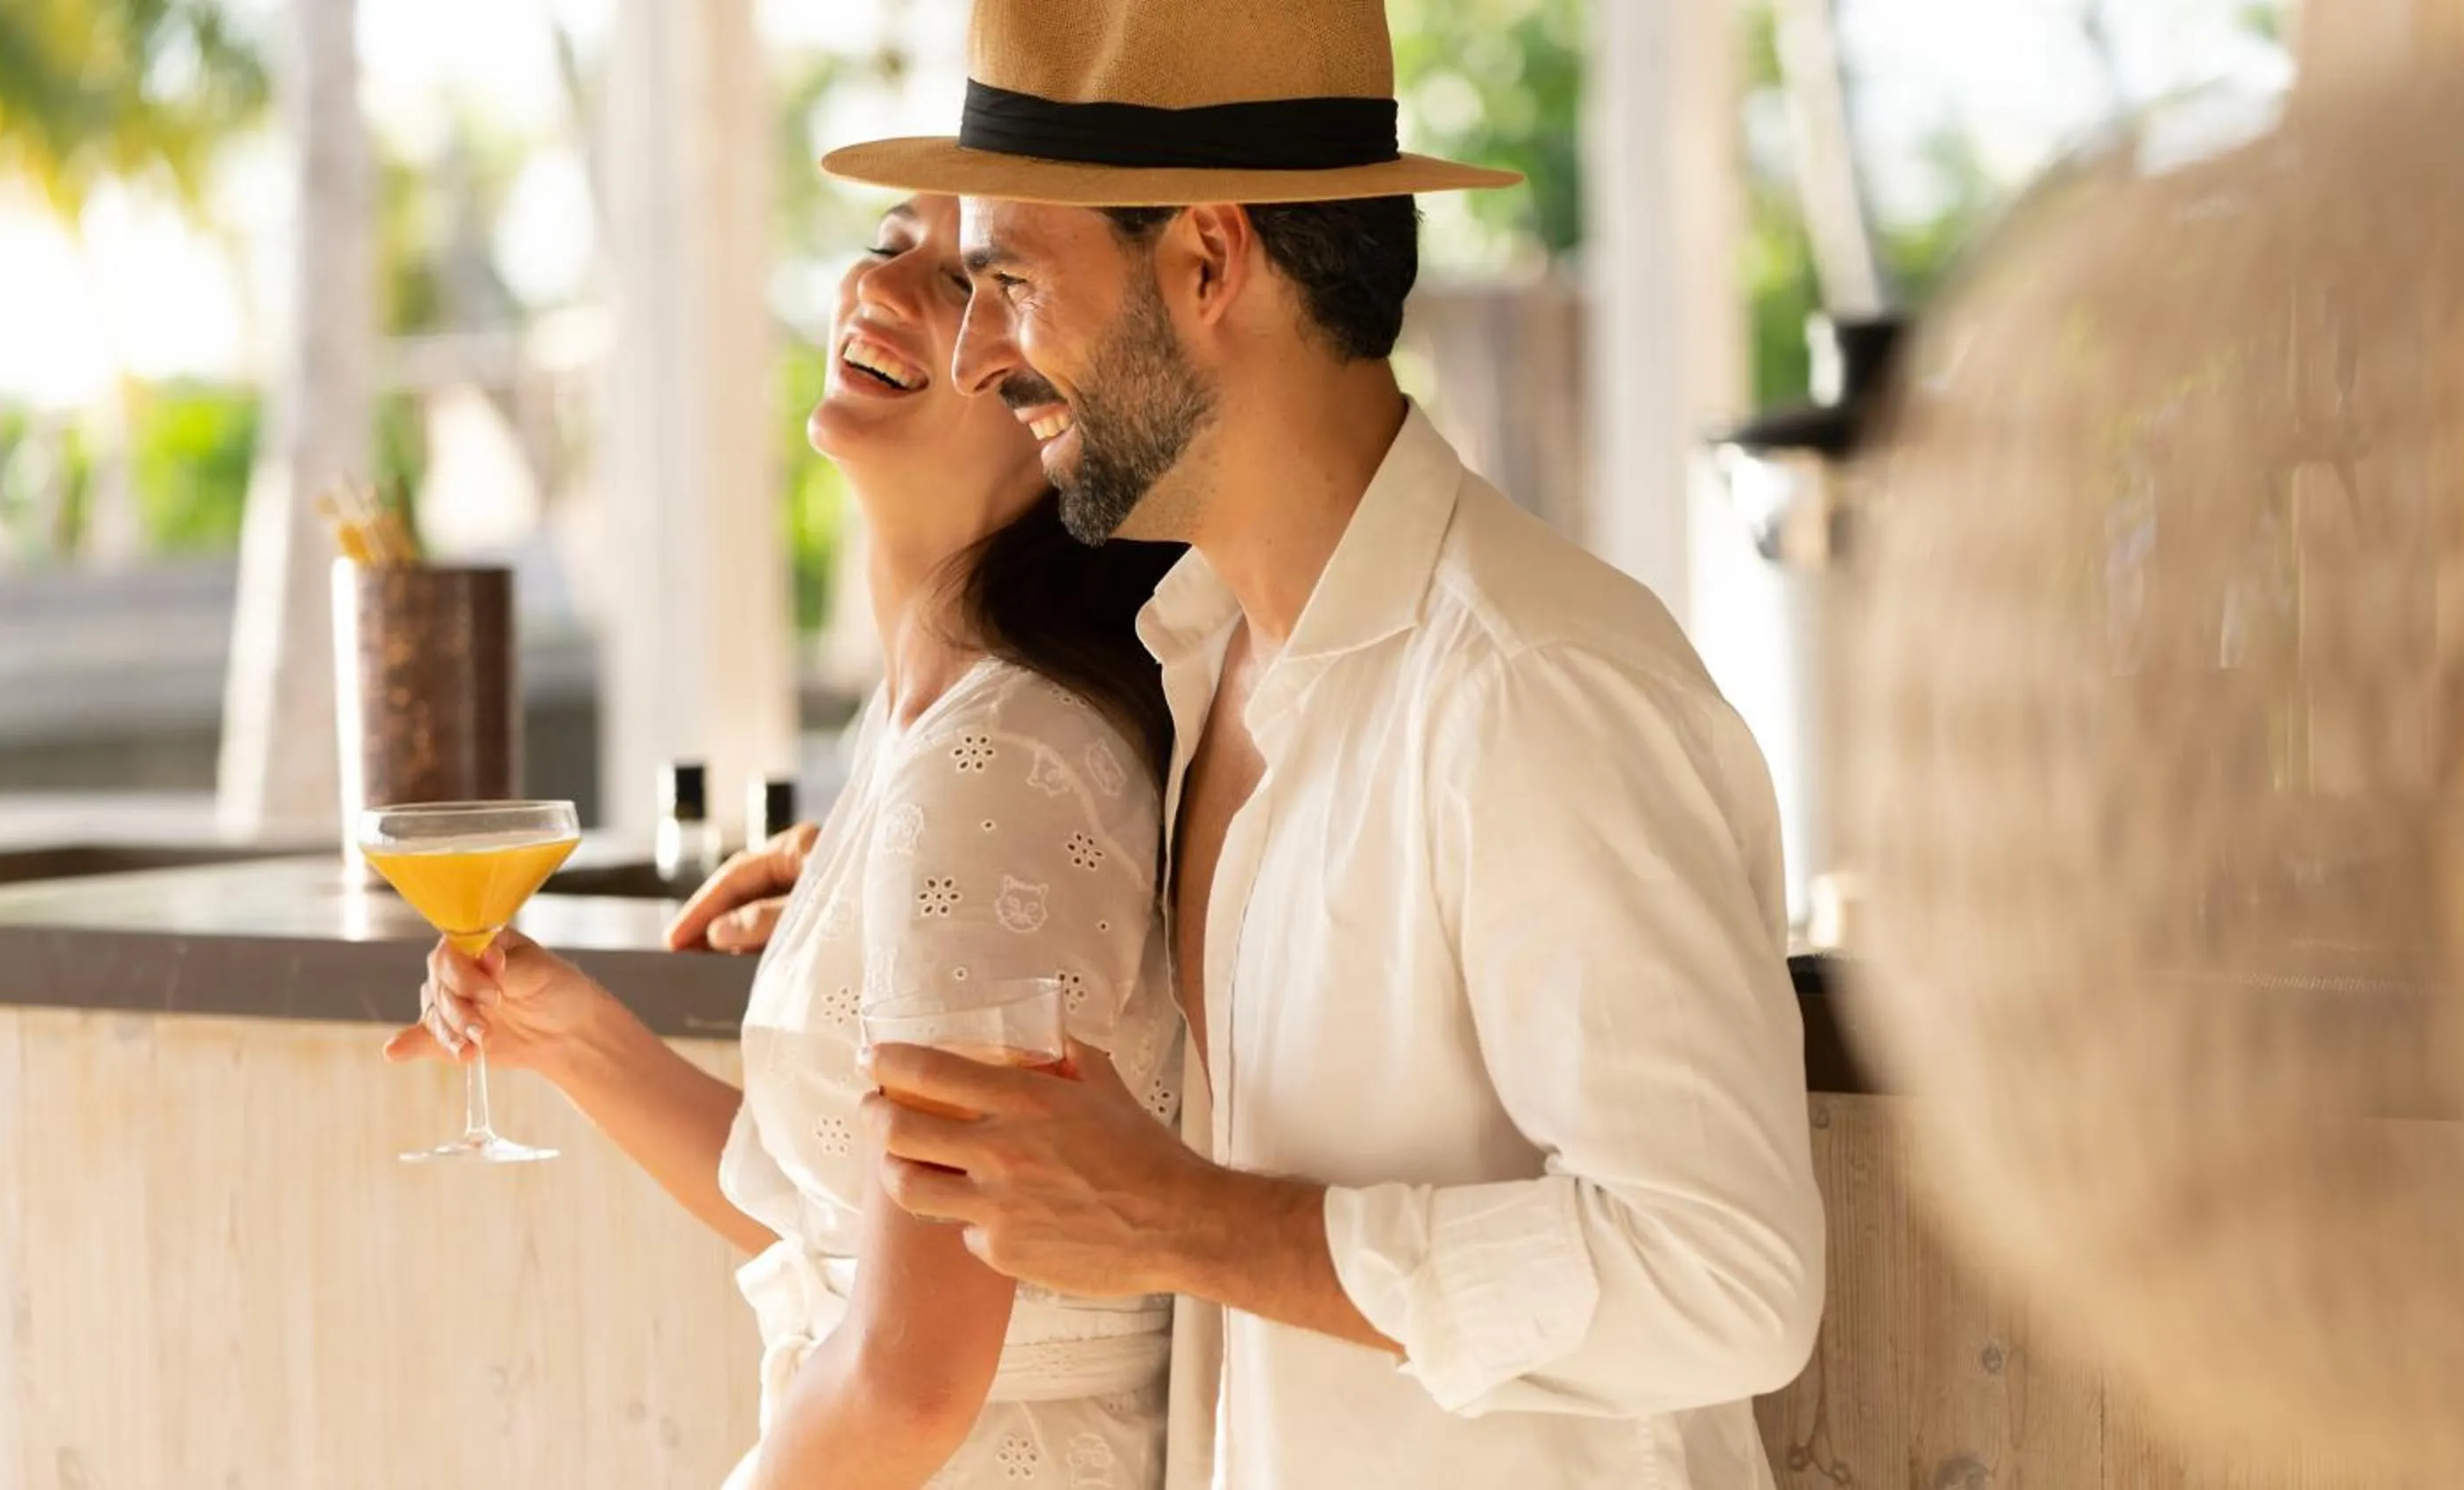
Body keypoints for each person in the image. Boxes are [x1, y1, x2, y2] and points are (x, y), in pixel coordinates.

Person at [802, 1, 1834, 1486]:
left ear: (1210, 261)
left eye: (1012, 279)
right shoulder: (1199, 659)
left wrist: (1181, 1220)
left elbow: (1724, 1278)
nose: (979, 356)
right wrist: (845, 883)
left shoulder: (1527, 687)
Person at [388, 192, 1188, 1490]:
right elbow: (847, 1237)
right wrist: (575, 1040)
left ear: (1045, 398)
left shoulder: (998, 763)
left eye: (971, 274)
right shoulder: (925, 726)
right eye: (887, 243)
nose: (891, 288)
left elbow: (908, 1381)